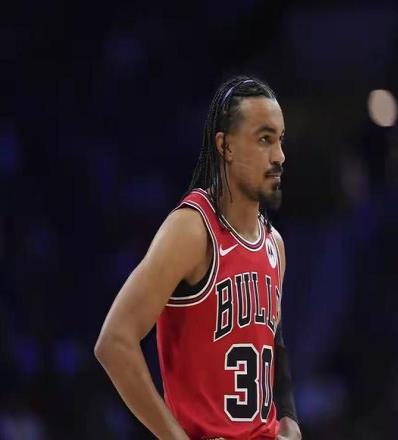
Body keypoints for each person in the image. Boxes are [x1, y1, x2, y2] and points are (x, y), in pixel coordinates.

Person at [95, 76, 301, 440]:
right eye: (264, 139)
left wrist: (289, 419)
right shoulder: (192, 230)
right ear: (226, 146)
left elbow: (275, 341)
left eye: (280, 140)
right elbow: (114, 342)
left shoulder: (274, 244)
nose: (279, 156)